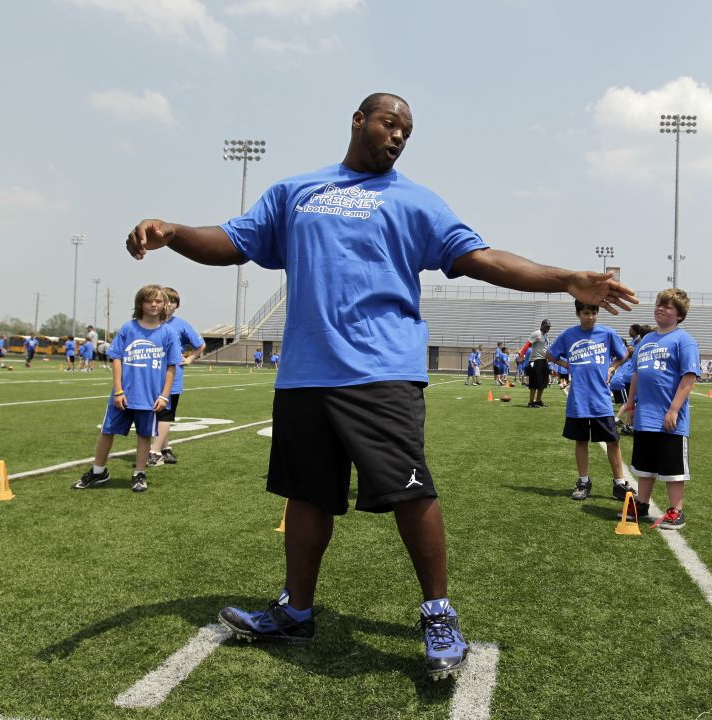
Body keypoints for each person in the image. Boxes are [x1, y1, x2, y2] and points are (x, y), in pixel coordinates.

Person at [123, 92, 637, 679]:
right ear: (358, 120)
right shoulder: (297, 192)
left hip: (382, 373)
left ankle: (438, 613)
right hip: (305, 375)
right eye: (389, 123)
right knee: (307, 493)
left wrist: (566, 277)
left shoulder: (417, 202)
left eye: (406, 132)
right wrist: (175, 232)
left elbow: (485, 259)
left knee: (410, 490)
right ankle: (295, 611)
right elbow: (231, 242)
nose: (397, 136)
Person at [73, 285, 181, 493]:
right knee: (107, 431)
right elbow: (116, 359)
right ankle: (98, 472)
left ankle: (139, 474)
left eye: (158, 301)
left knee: (144, 436)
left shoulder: (168, 333)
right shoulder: (128, 328)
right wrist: (119, 390)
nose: (154, 304)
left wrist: (164, 396)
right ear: (140, 303)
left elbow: (171, 367)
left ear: (164, 305)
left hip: (150, 397)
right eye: (149, 300)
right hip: (123, 395)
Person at [622, 289, 698, 530]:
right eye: (658, 304)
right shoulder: (646, 340)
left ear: (679, 315)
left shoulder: (683, 340)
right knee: (644, 464)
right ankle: (642, 504)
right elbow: (636, 374)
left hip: (669, 417)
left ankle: (676, 510)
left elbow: (688, 378)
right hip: (646, 415)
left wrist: (674, 409)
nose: (660, 308)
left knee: (672, 467)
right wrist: (631, 403)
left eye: (668, 306)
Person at [547, 300, 633, 502]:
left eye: (594, 312)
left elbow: (624, 354)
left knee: (612, 441)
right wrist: (566, 365)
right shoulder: (568, 335)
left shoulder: (607, 333)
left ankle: (619, 484)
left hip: (601, 399)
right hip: (578, 400)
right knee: (581, 440)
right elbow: (550, 355)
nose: (591, 316)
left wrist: (611, 368)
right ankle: (583, 481)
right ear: (578, 313)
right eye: (586, 312)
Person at [149, 287, 206, 467]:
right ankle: (165, 449)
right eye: (166, 300)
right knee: (156, 413)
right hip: (151, 375)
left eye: (173, 302)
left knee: (165, 414)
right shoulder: (151, 322)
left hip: (172, 376)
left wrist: (190, 358)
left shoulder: (180, 324)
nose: (169, 305)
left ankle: (155, 452)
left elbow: (201, 344)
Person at [521, 319, 552, 407]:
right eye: (546, 326)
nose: (548, 328)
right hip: (535, 360)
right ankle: (531, 402)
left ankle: (538, 400)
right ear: (542, 325)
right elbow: (527, 344)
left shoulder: (545, 336)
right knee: (534, 382)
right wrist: (522, 354)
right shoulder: (537, 333)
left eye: (549, 327)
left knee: (543, 382)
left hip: (543, 360)